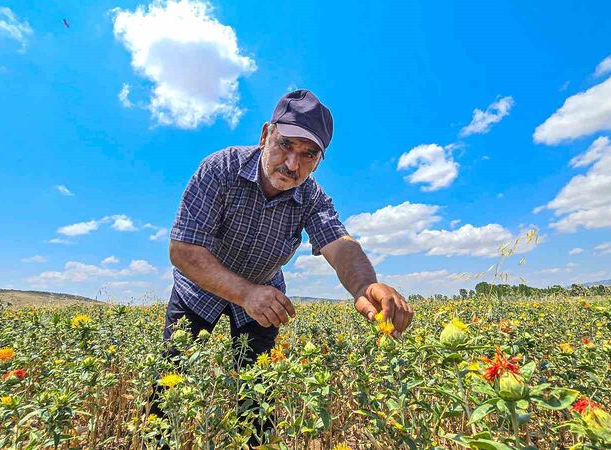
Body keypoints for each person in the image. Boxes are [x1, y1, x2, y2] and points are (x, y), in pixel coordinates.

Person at [153, 89, 415, 444]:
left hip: (263, 297)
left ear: (319, 161)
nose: (293, 164)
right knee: (169, 383)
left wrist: (366, 286)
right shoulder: (220, 169)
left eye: (308, 155)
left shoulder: (311, 196)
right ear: (264, 135)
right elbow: (183, 249)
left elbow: (340, 246)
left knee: (258, 394)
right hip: (198, 292)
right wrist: (245, 292)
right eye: (285, 145)